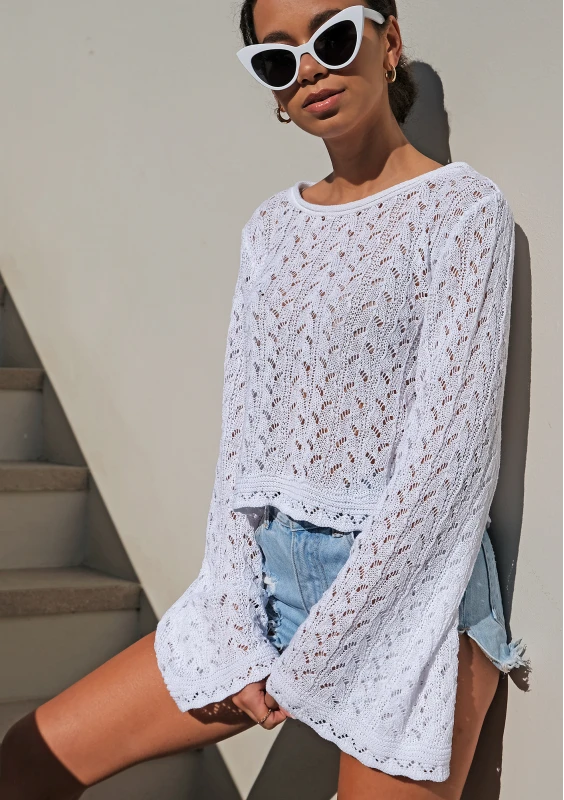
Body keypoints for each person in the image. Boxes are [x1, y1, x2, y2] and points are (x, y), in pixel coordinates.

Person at [0, 2, 530, 798]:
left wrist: (314, 661)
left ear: (389, 41)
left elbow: (448, 474)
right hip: (268, 581)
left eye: (333, 36)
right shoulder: (272, 227)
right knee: (28, 758)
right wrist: (238, 627)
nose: (310, 68)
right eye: (279, 59)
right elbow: (244, 449)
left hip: (412, 598)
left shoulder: (464, 211)